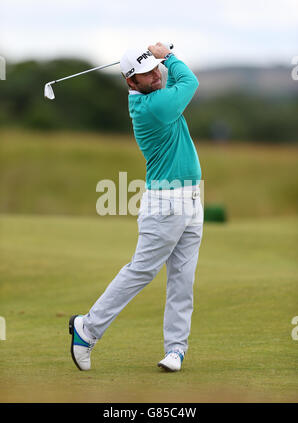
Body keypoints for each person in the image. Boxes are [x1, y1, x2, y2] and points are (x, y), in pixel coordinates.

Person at [69, 42, 203, 372]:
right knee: (141, 271)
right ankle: (87, 329)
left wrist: (159, 60)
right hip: (166, 204)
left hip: (191, 199)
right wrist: (168, 56)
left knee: (182, 281)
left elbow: (173, 81)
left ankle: (175, 349)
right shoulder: (152, 107)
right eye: (145, 74)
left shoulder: (156, 93)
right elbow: (189, 82)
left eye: (154, 67)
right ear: (132, 83)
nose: (155, 75)